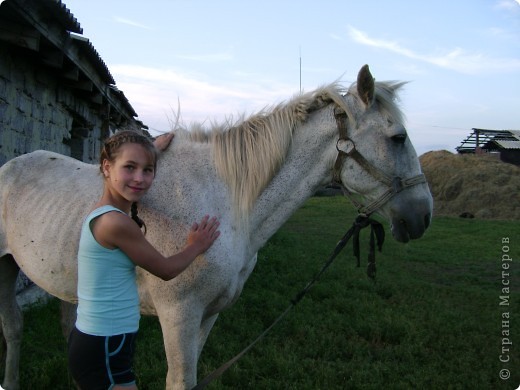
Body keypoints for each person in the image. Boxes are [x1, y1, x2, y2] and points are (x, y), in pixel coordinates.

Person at [68, 130, 220, 390]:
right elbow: (166, 270)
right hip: (104, 347)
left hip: (101, 341)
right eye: (130, 167)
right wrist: (196, 246)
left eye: (148, 170)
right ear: (106, 167)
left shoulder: (104, 210)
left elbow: (124, 172)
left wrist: (150, 148)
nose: (140, 178)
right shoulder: (115, 223)